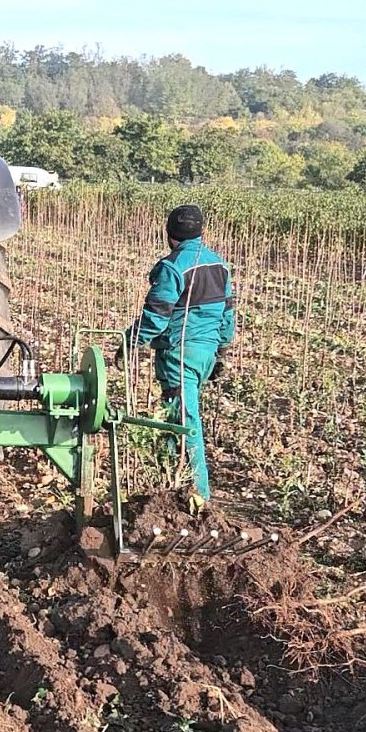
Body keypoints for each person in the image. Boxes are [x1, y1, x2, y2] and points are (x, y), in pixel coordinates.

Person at [123, 204, 237, 507]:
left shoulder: (173, 268)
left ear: (170, 234)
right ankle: (172, 485)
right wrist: (221, 352)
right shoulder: (219, 265)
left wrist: (129, 342)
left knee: (186, 421)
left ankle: (199, 496)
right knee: (176, 418)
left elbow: (157, 316)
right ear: (201, 232)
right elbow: (227, 316)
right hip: (206, 354)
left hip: (180, 355)